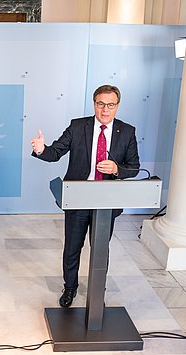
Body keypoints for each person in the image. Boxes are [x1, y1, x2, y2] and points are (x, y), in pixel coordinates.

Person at [31, 84, 140, 307]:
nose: (105, 110)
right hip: (78, 198)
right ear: (94, 104)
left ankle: (98, 290)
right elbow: (55, 153)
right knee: (73, 247)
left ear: (117, 106)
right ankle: (70, 288)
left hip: (107, 202)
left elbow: (135, 167)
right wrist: (42, 149)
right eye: (101, 104)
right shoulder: (78, 126)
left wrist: (117, 169)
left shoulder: (127, 131)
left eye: (110, 105)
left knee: (100, 249)